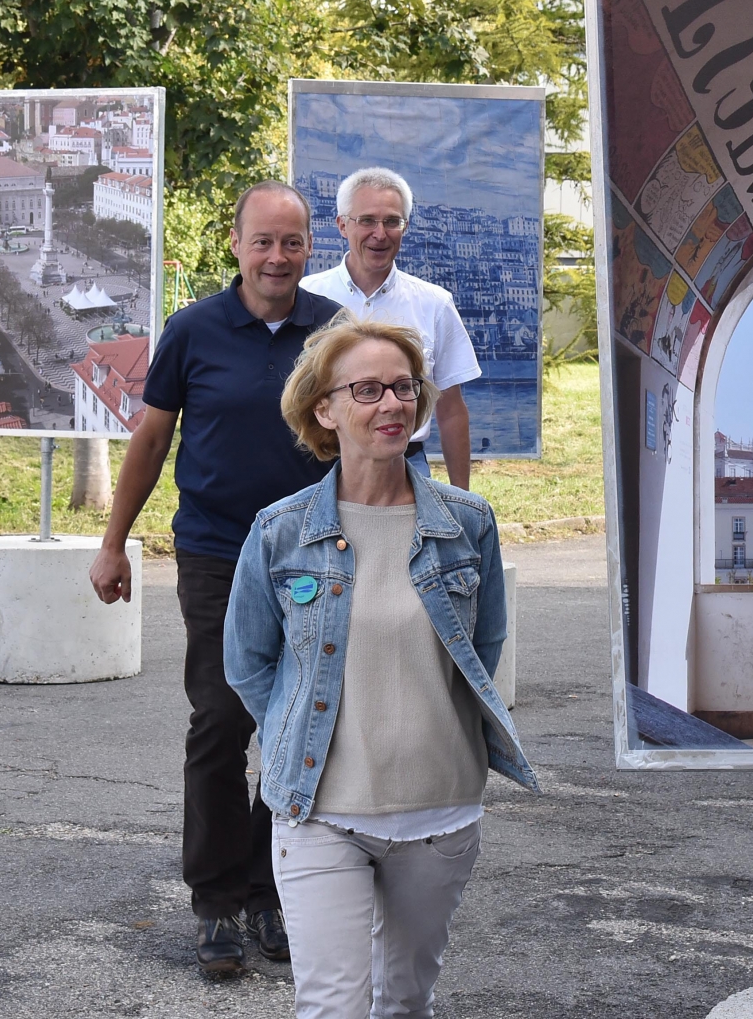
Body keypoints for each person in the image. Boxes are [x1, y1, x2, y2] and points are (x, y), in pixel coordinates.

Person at [225, 316, 535, 1019]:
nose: (391, 404)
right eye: (366, 389)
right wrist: (298, 728)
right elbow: (248, 663)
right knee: (333, 1006)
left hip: (439, 810)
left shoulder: (468, 523)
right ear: (323, 410)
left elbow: (481, 647)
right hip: (318, 810)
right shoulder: (279, 531)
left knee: (402, 1001)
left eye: (403, 387)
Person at [86, 182, 343, 978]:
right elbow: (151, 438)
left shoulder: (333, 331)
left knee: (300, 726)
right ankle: (216, 901)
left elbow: (374, 435)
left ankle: (272, 890)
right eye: (262, 241)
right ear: (234, 243)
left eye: (291, 242)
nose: (277, 257)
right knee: (221, 720)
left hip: (314, 557)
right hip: (216, 556)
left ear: (309, 248)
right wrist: (114, 541)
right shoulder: (193, 328)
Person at [301, 168, 481, 489]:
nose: (380, 233)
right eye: (367, 220)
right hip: (317, 469)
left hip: (406, 469)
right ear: (342, 225)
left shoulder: (434, 304)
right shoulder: (306, 296)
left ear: (405, 227)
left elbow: (451, 410)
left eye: (392, 222)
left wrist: (461, 498)